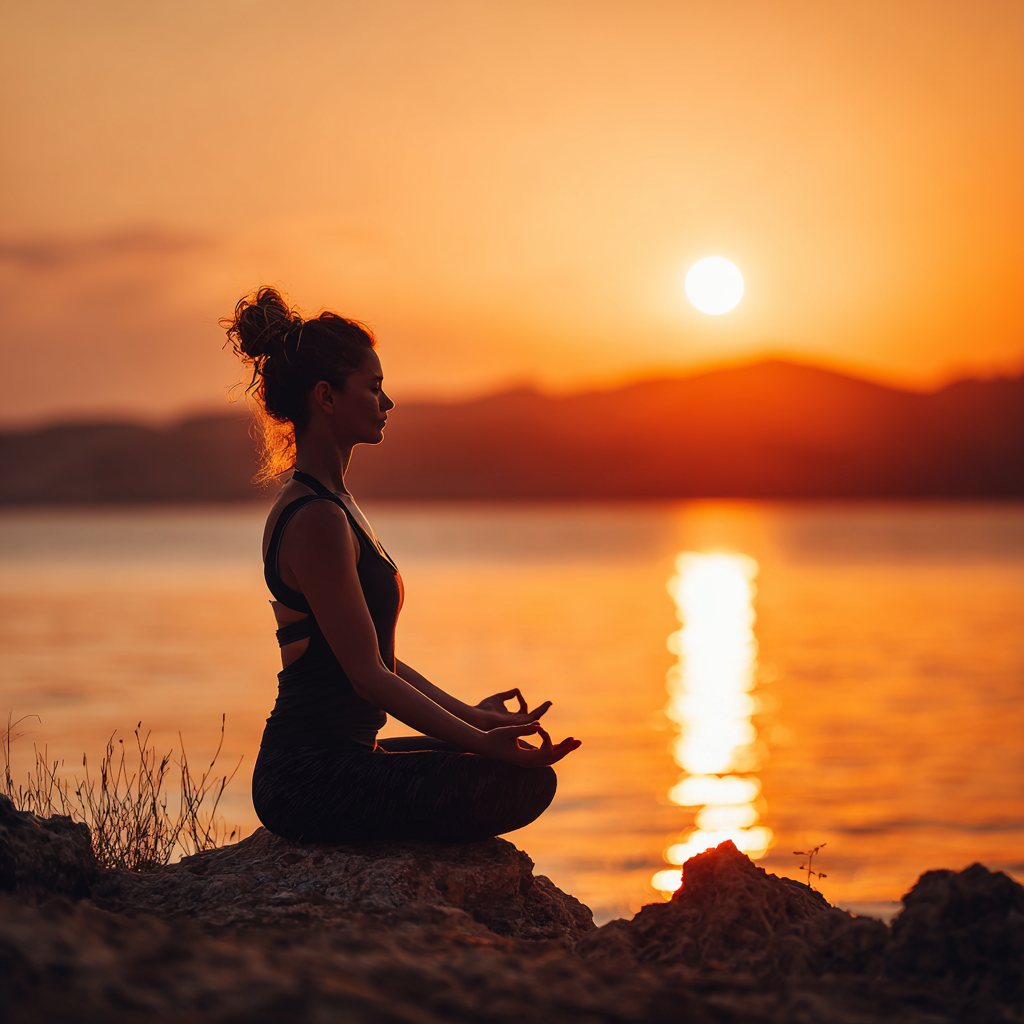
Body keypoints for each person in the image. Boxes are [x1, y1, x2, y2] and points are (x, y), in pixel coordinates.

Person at [224, 287, 580, 844]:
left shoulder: (334, 504)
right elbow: (368, 678)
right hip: (306, 779)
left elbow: (373, 657)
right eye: (374, 388)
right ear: (327, 396)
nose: (387, 403)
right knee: (520, 783)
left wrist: (473, 719)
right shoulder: (315, 517)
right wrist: (478, 742)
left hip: (337, 759)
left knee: (504, 765)